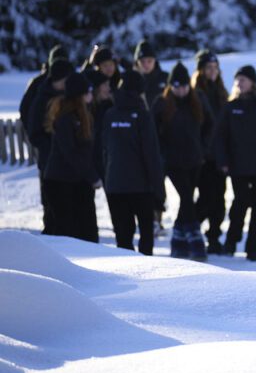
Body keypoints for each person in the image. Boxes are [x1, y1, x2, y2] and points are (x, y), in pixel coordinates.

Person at [212, 65, 256, 261]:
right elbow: (220, 137)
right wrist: (223, 161)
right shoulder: (230, 107)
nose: (239, 83)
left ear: (252, 82)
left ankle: (255, 245)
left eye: (243, 79)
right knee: (241, 203)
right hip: (237, 165)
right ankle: (231, 240)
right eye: (237, 80)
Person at [97, 72, 164, 255]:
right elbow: (151, 155)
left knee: (123, 237)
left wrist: (107, 178)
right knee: (146, 235)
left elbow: (103, 150)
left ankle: (129, 272)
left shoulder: (109, 114)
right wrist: (159, 191)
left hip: (115, 186)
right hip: (141, 186)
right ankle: (147, 273)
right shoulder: (142, 115)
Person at [154, 62, 213, 261]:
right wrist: (163, 154)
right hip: (173, 161)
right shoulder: (162, 103)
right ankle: (196, 240)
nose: (181, 90)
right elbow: (154, 133)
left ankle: (178, 241)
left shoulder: (198, 100)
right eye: (177, 86)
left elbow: (210, 126)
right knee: (186, 197)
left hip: (195, 159)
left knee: (187, 200)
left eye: (185, 86)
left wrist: (204, 148)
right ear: (171, 86)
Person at [43, 71, 100, 243]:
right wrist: (93, 176)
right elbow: (71, 153)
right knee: (66, 232)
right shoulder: (65, 119)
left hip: (76, 181)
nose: (91, 95)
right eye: (88, 92)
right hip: (60, 182)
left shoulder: (83, 115)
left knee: (84, 232)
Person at [23, 53, 72, 235]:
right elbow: (34, 131)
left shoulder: (68, 98)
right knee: (51, 205)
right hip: (49, 160)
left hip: (67, 162)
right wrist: (50, 149)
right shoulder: (41, 98)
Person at [193, 49, 229, 253]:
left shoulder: (221, 92)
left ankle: (214, 237)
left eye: (215, 67)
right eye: (209, 67)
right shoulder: (196, 93)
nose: (213, 71)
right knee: (205, 198)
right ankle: (192, 231)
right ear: (201, 70)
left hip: (219, 155)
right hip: (203, 156)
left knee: (219, 200)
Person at [134, 39, 169, 109]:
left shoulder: (166, 78)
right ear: (137, 62)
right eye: (142, 61)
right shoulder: (132, 81)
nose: (146, 64)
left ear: (155, 60)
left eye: (149, 61)